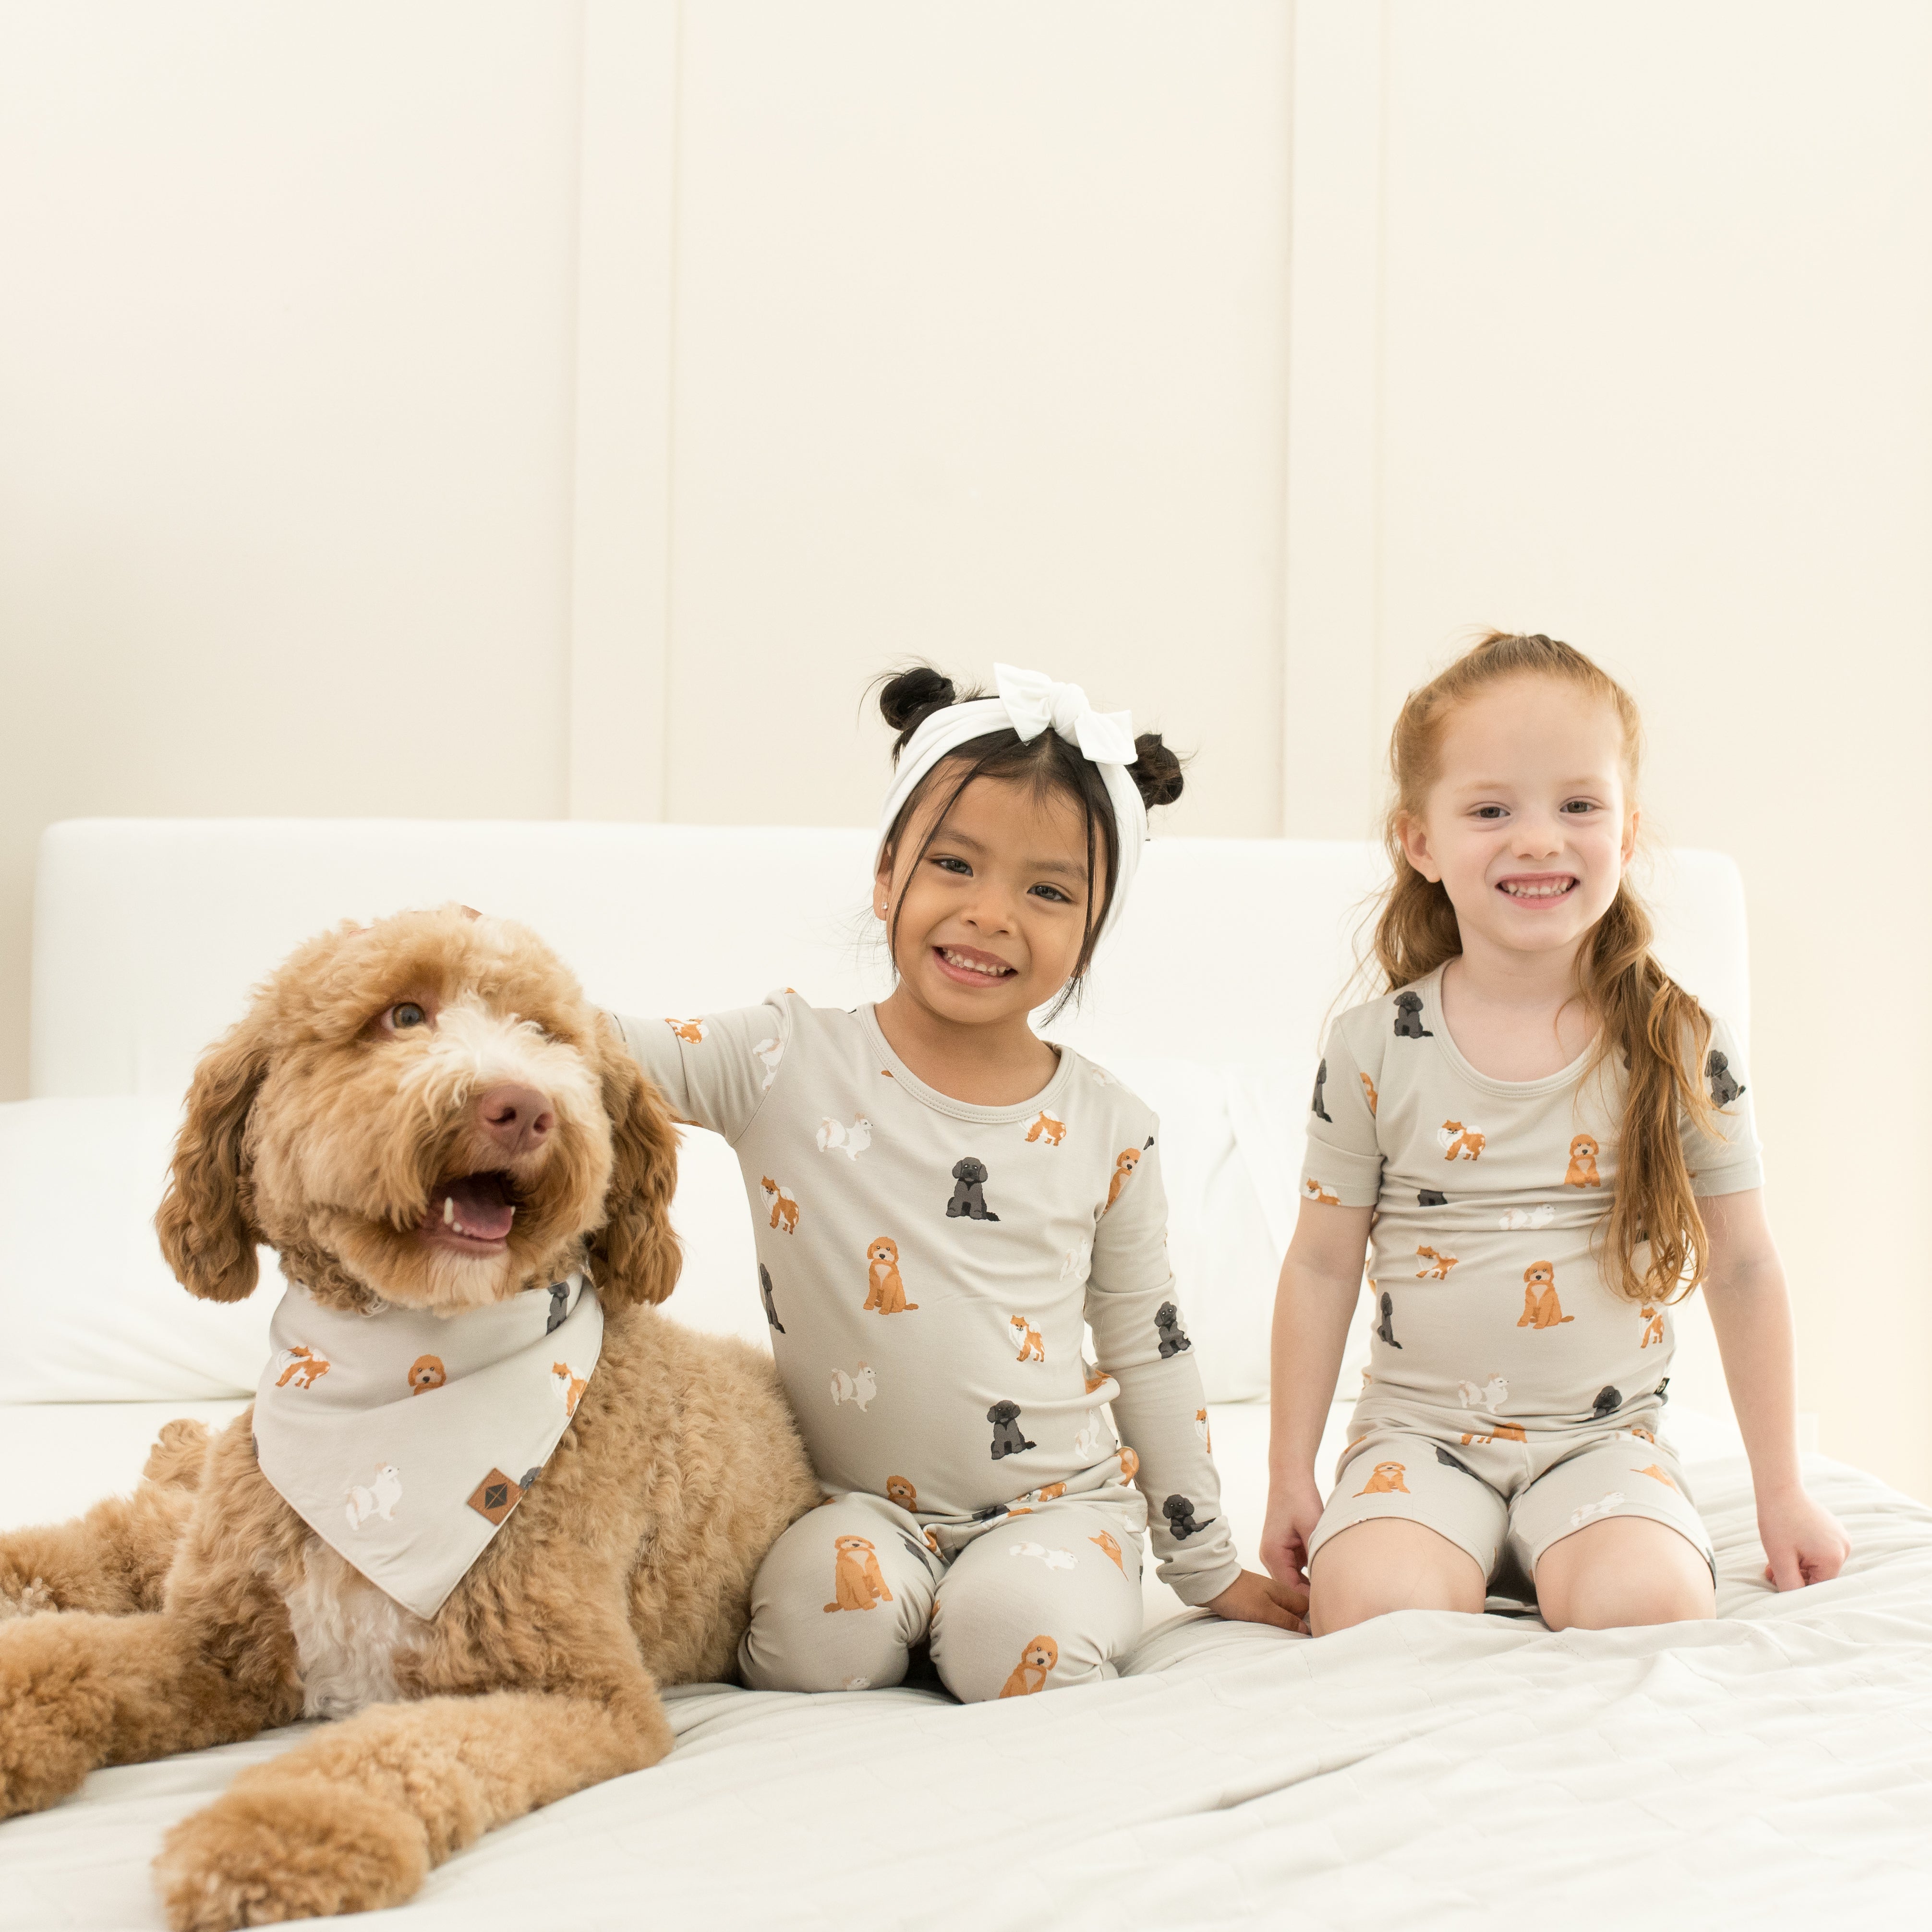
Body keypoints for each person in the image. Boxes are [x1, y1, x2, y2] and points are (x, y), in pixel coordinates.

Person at [612, 662, 1302, 1702]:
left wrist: (1204, 1563)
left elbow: (1147, 1350)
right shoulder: (777, 1060)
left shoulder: (1109, 1126)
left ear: (1088, 930)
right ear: (887, 875)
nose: (989, 913)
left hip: (1056, 1507)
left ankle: (996, 1609)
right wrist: (449, 982)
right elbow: (584, 1051)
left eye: (1047, 889)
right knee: (810, 1645)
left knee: (1009, 1647)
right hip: (853, 1505)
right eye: (954, 864)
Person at [1262, 631, 1848, 1634]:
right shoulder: (1373, 1045)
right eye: (1491, 809)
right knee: (1371, 1610)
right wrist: (1287, 1472)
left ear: (1624, 833)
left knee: (1648, 1604)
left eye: (1577, 805)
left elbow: (1742, 1265)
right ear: (1419, 842)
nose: (1537, 838)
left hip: (1602, 1442)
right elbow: (1321, 1265)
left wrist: (1779, 1487)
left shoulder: (1677, 1041)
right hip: (1420, 1436)